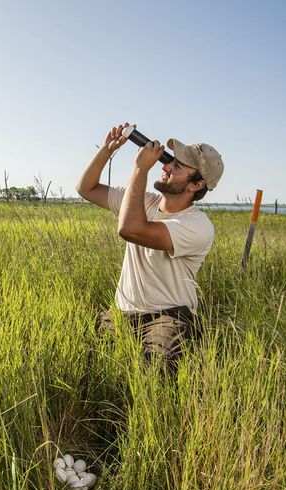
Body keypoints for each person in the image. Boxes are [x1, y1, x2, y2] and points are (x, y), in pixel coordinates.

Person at [76, 123, 224, 374]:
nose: (165, 166)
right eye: (169, 161)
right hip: (122, 312)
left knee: (155, 373)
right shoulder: (144, 201)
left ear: (196, 185)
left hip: (167, 317)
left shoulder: (196, 226)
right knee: (90, 367)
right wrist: (106, 150)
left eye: (176, 166)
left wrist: (139, 169)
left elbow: (131, 229)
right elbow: (86, 189)